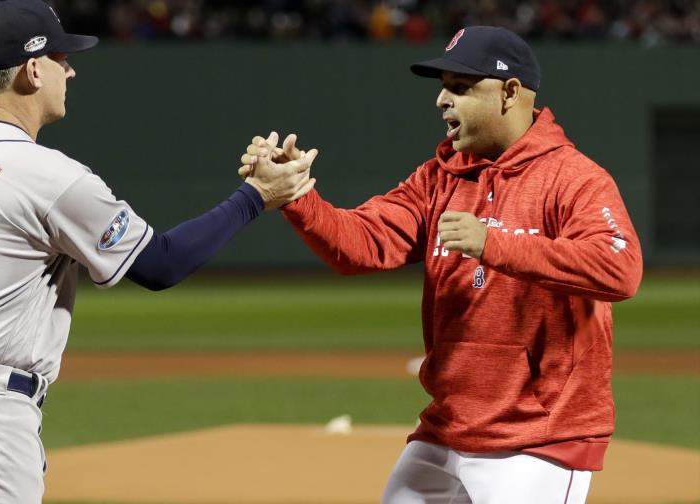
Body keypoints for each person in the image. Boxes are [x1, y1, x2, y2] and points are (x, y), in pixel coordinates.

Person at [0, 0, 316, 502]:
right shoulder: (47, 175)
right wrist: (254, 198)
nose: (71, 70)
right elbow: (160, 264)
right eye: (61, 58)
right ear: (33, 70)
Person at [240, 26, 642, 504]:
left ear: (509, 92)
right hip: (446, 428)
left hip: (537, 440)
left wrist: (496, 244)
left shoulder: (572, 178)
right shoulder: (438, 178)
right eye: (443, 86)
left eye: (460, 87)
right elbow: (362, 244)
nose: (441, 100)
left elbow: (620, 268)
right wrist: (298, 199)